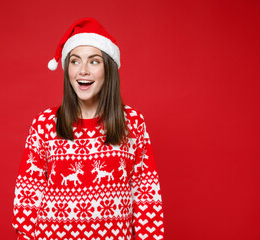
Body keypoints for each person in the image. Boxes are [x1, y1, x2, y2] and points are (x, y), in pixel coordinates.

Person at [12, 17, 164, 240]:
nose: (83, 70)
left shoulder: (132, 123)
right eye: (75, 61)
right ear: (67, 69)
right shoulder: (44, 124)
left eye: (94, 61)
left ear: (108, 69)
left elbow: (145, 195)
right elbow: (28, 195)